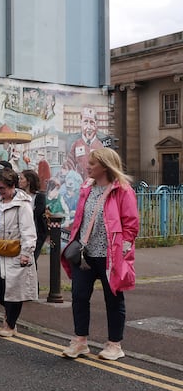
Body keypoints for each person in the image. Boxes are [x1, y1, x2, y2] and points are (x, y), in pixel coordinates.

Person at [60, 148, 139, 361]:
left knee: (113, 299)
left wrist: (122, 251)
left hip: (109, 256)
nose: (88, 166)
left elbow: (131, 225)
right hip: (85, 253)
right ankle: (80, 341)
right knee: (79, 296)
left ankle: (114, 345)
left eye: (92, 163)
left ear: (105, 166)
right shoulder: (87, 188)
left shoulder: (122, 190)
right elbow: (81, 219)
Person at [0, 168, 38, 337]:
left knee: (14, 290)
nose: (0, 192)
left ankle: (10, 324)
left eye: (3, 188)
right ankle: (10, 313)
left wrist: (27, 252)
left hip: (15, 254)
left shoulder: (23, 205)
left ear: (13, 186)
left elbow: (28, 230)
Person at [63, 107, 103, 179]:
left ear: (96, 124)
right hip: (80, 186)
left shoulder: (100, 146)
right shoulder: (76, 144)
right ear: (80, 123)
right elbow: (69, 164)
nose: (88, 127)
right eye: (85, 122)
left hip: (95, 185)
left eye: (92, 122)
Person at [19, 169, 48, 265]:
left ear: (29, 181)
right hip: (21, 233)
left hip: (37, 233)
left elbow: (37, 214)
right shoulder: (19, 195)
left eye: (22, 178)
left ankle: (34, 280)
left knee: (31, 259)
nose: (19, 180)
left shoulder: (39, 197)